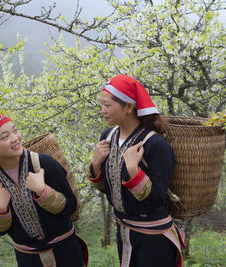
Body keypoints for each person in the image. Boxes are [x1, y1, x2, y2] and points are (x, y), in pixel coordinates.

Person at [0, 113, 88, 267]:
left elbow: (71, 206)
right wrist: (0, 209)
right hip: (29, 260)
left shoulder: (44, 163)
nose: (15, 138)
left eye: (15, 131)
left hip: (67, 253)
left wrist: (43, 192)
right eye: (5, 137)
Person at [88, 74, 185, 267]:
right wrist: (96, 164)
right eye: (101, 104)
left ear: (129, 107)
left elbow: (156, 199)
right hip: (124, 232)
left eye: (107, 105)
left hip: (154, 239)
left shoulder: (156, 145)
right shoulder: (108, 136)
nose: (103, 110)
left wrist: (134, 170)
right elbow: (110, 188)